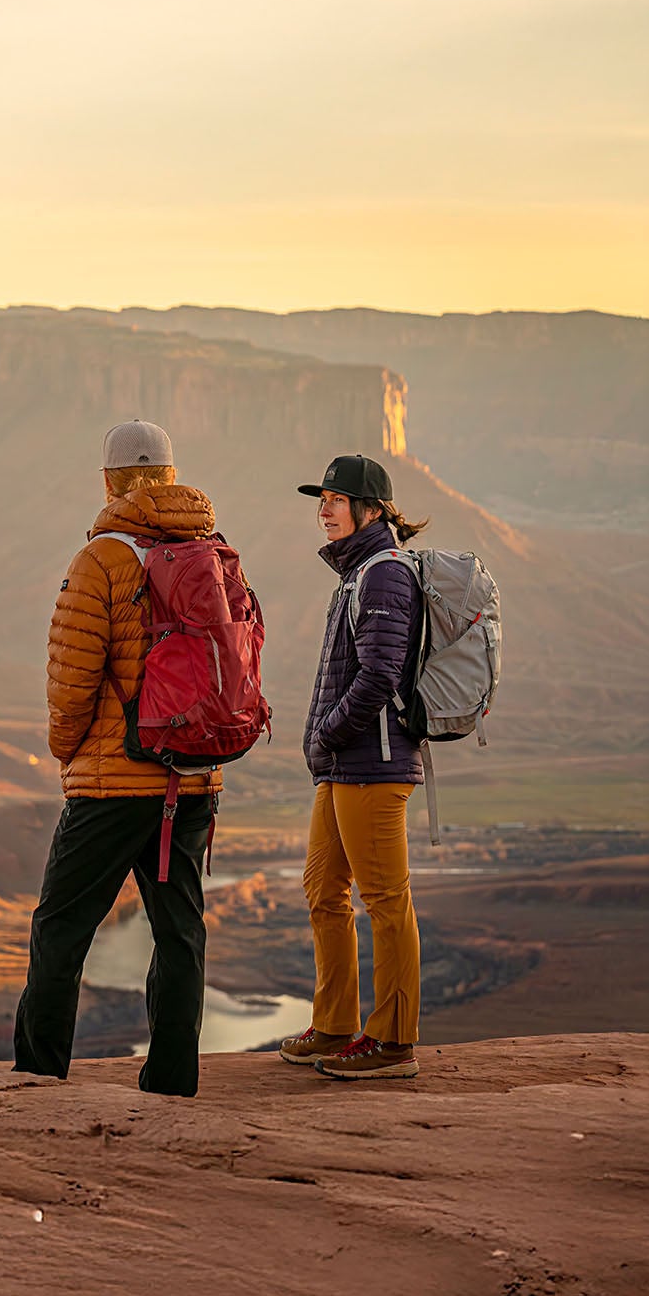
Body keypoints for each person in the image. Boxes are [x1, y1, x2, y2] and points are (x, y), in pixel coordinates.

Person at [11, 420, 222, 1097]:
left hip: (111, 782)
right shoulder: (209, 550)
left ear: (109, 480)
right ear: (169, 477)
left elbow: (72, 677)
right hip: (189, 775)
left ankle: (39, 1077)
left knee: (60, 929)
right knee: (179, 933)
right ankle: (171, 1080)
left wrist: (65, 747)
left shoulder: (102, 559)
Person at [278, 453, 432, 1080]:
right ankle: (336, 1024)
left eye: (335, 500)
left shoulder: (385, 575)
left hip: (374, 762)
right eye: (321, 499)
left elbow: (379, 677)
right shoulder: (357, 573)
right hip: (345, 764)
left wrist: (328, 731)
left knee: (385, 900)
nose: (323, 509)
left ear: (370, 509)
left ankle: (393, 1042)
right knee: (323, 889)